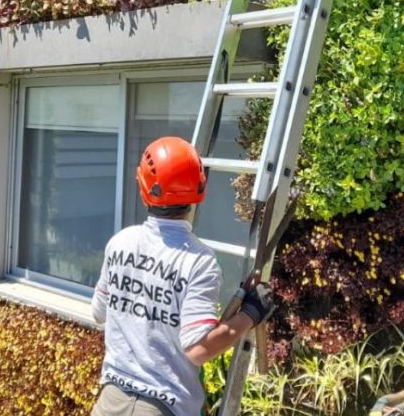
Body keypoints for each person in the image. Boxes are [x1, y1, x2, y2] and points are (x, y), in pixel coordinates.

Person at [91, 136, 276, 416]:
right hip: (162, 407)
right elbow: (198, 350)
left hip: (110, 402)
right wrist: (250, 314)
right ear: (199, 190)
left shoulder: (120, 243)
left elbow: (99, 312)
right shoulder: (198, 262)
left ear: (144, 188)